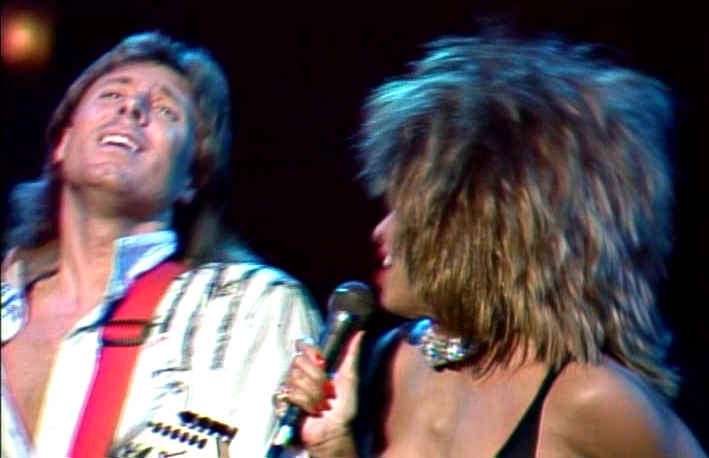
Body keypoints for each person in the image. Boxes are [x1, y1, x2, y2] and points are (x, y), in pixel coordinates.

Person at [278, 35, 706, 457]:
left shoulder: (587, 396)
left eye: (402, 210)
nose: (380, 230)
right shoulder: (385, 363)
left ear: (473, 229)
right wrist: (336, 449)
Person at [0, 32, 322, 458]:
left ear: (192, 177)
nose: (132, 108)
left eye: (166, 109)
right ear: (61, 142)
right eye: (112, 94)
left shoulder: (254, 307)